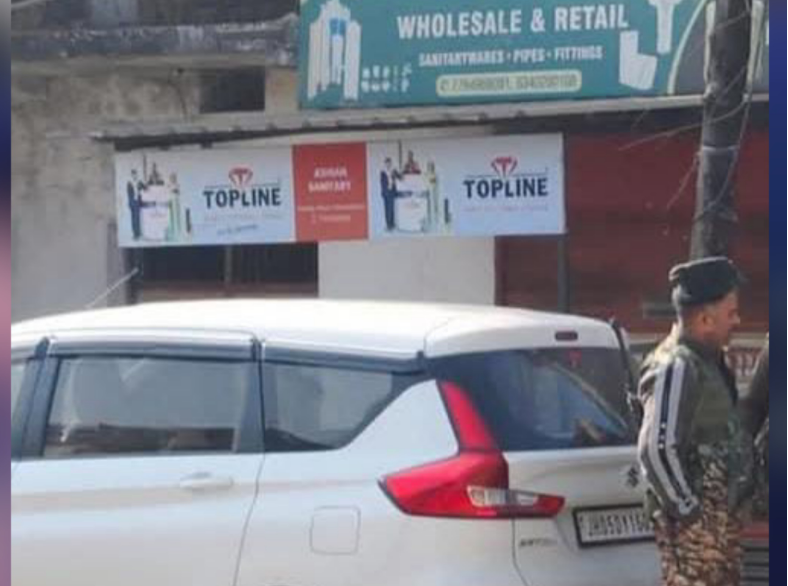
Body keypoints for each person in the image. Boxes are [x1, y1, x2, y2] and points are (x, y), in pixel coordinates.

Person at [637, 257, 754, 586]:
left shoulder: (707, 362)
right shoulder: (675, 366)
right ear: (705, 319)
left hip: (718, 526)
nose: (737, 321)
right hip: (695, 534)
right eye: (731, 314)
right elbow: (656, 449)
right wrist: (690, 512)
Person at [380, 157, 399, 231]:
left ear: (391, 163)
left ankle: (392, 224)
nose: (388, 164)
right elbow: (382, 183)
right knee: (387, 209)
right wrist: (385, 189)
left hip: (392, 192)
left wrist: (397, 173)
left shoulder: (393, 171)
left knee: (391, 209)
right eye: (387, 163)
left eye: (389, 163)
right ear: (385, 164)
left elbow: (400, 177)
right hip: (386, 193)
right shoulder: (383, 172)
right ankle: (388, 225)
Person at [126, 170, 142, 240]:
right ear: (132, 175)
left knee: (137, 218)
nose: (135, 176)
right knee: (133, 219)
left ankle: (137, 234)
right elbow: (128, 194)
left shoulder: (139, 182)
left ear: (137, 175)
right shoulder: (129, 183)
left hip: (137, 202)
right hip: (132, 202)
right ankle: (135, 234)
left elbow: (145, 187)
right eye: (133, 174)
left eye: (135, 174)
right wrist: (129, 203)